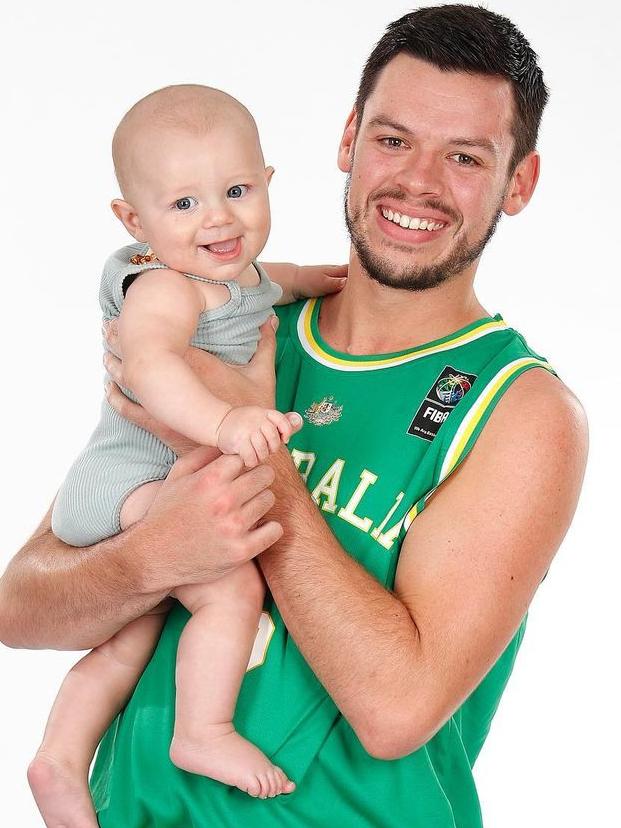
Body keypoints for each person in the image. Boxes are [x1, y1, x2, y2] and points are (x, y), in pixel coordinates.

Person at [0, 5, 588, 827]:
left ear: (516, 183)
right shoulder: (231, 327)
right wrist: (150, 557)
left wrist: (259, 465)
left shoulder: (520, 410)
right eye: (392, 139)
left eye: (463, 156)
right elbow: (21, 604)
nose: (417, 180)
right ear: (348, 139)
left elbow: (396, 710)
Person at [24, 84, 350, 826]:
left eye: (236, 191)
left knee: (129, 639)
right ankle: (202, 732)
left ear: (267, 183)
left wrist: (311, 281)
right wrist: (226, 417)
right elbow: (149, 366)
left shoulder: (224, 273)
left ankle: (60, 759)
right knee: (228, 588)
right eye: (184, 205)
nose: (218, 219)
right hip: (125, 479)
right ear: (132, 222)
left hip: (133, 481)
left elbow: (269, 285)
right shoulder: (164, 287)